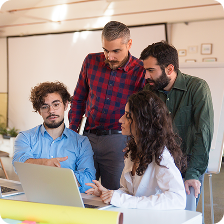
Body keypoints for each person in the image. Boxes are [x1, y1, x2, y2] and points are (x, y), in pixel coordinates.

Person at [69, 21, 145, 190]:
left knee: (113, 194)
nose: (109, 56)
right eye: (106, 50)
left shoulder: (140, 70)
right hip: (87, 138)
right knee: (82, 191)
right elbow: (79, 99)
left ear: (129, 44)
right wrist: (73, 132)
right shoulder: (91, 61)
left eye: (116, 51)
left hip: (120, 141)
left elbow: (143, 113)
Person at [85, 90, 186, 209]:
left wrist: (120, 199)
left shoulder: (161, 156)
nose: (120, 120)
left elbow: (178, 199)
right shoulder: (133, 151)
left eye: (127, 116)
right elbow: (129, 193)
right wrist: (108, 194)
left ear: (143, 121)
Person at [140, 41, 214, 202]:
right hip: (158, 165)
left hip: (188, 166)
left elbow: (204, 134)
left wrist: (193, 173)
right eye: (145, 70)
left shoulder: (197, 88)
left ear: (170, 68)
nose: (146, 76)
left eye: (151, 70)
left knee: (185, 216)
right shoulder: (148, 90)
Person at [12, 81, 95, 193]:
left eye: (56, 105)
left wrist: (56, 176)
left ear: (65, 105)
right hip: (34, 198)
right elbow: (19, 165)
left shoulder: (81, 142)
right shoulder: (25, 138)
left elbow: (89, 180)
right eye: (45, 106)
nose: (51, 111)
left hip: (69, 200)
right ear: (39, 111)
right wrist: (44, 163)